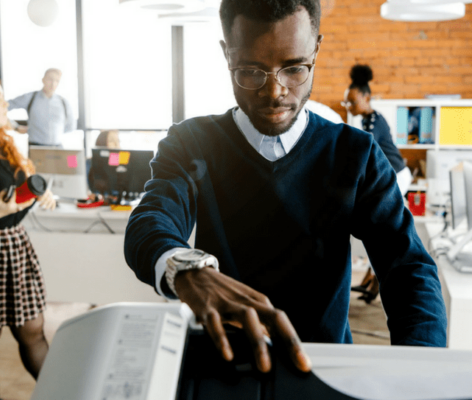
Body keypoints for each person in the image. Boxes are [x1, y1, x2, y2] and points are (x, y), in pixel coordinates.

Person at [124, 0, 447, 374]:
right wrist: (186, 271)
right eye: (250, 70)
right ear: (226, 54)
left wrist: (422, 371)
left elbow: (407, 268)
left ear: (316, 50)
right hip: (225, 368)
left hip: (328, 371)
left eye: (294, 68)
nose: (276, 92)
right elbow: (150, 220)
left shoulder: (355, 154)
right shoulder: (191, 142)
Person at [0, 73, 56, 400]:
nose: (5, 101)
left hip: (14, 245)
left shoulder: (4, 145)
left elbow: (21, 190)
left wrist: (41, 194)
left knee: (33, 330)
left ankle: (63, 390)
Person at [343, 65, 413, 303]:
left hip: (398, 174)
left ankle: (376, 280)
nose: (350, 107)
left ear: (366, 97)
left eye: (352, 102)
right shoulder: (368, 119)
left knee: (382, 223)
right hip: (393, 173)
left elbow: (367, 154)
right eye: (347, 104)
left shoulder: (373, 122)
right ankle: (371, 279)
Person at [7, 68, 76, 146]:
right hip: (35, 146)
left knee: (73, 158)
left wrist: (56, 131)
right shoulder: (30, 98)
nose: (53, 84)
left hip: (57, 147)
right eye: (50, 79)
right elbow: (3, 107)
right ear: (43, 80)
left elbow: (71, 127)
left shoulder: (64, 103)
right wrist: (15, 126)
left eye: (57, 81)